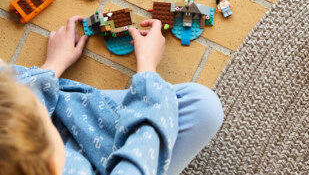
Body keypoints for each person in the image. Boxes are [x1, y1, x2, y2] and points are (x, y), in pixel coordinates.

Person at [0, 16, 223, 175]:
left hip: (68, 116)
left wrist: (52, 66)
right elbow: (141, 154)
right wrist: (147, 67)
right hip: (114, 161)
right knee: (205, 108)